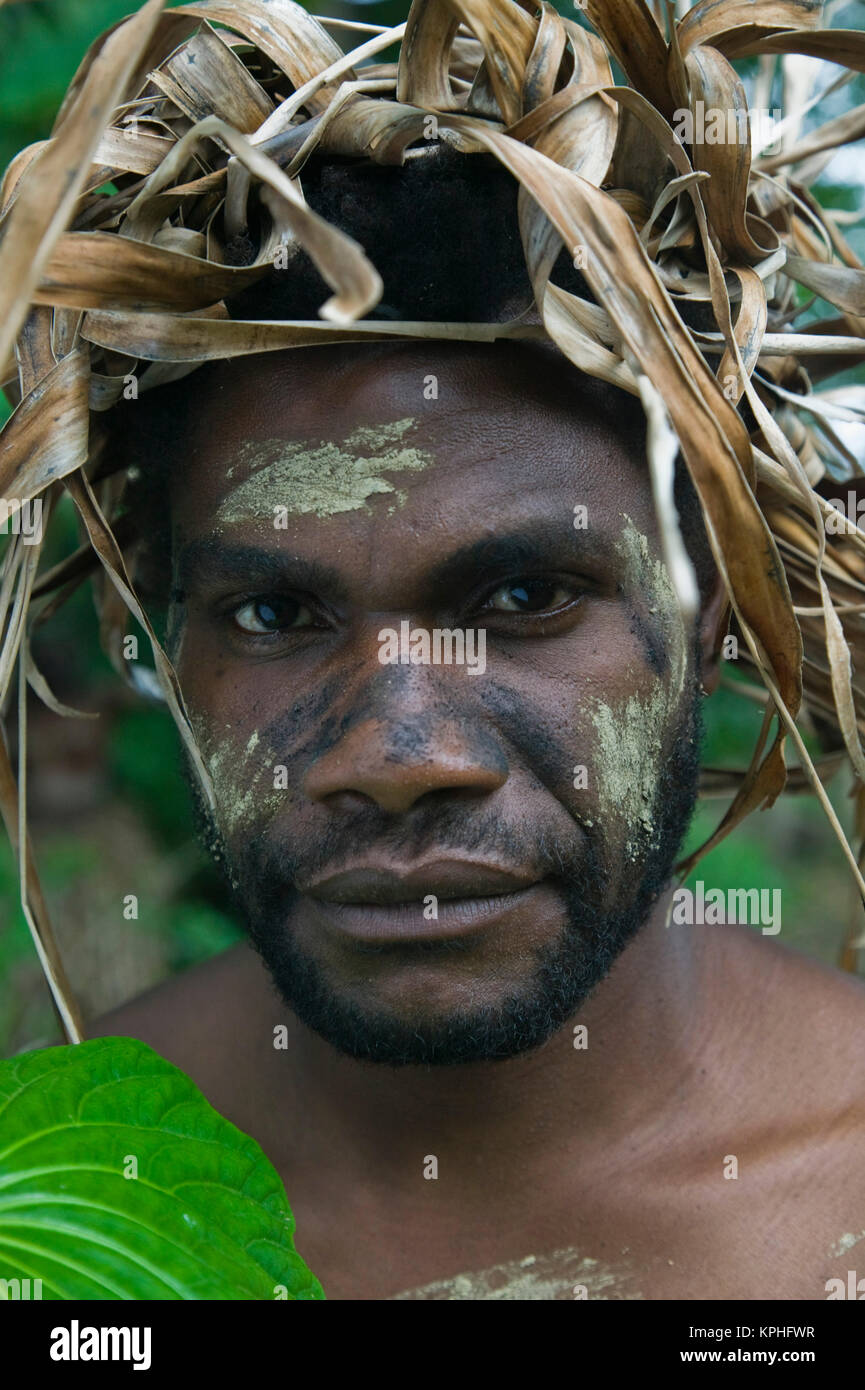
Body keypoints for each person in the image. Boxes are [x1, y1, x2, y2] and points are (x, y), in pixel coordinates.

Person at [4, 0, 865, 1300]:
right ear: (167, 633)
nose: (399, 758)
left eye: (523, 593)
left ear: (704, 597)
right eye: (277, 615)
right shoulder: (53, 1202)